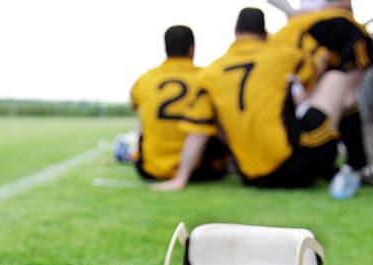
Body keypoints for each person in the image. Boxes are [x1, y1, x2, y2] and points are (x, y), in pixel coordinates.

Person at [154, 8, 346, 192]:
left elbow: (198, 133)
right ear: (264, 33)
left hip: (251, 176)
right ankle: (355, 161)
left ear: (235, 32)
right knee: (335, 78)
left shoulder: (211, 72)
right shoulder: (285, 55)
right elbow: (319, 65)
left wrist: (180, 178)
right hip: (295, 167)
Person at [270, 1, 373, 191]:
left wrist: (308, 91)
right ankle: (357, 164)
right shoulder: (296, 28)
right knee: (345, 99)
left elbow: (321, 58)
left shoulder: (284, 38)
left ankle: (358, 164)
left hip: (348, 36)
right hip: (346, 34)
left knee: (348, 97)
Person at [130, 25, 229, 182]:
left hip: (150, 169)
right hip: (201, 170)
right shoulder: (206, 77)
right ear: (192, 48)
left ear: (165, 48)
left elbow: (141, 122)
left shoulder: (144, 79)